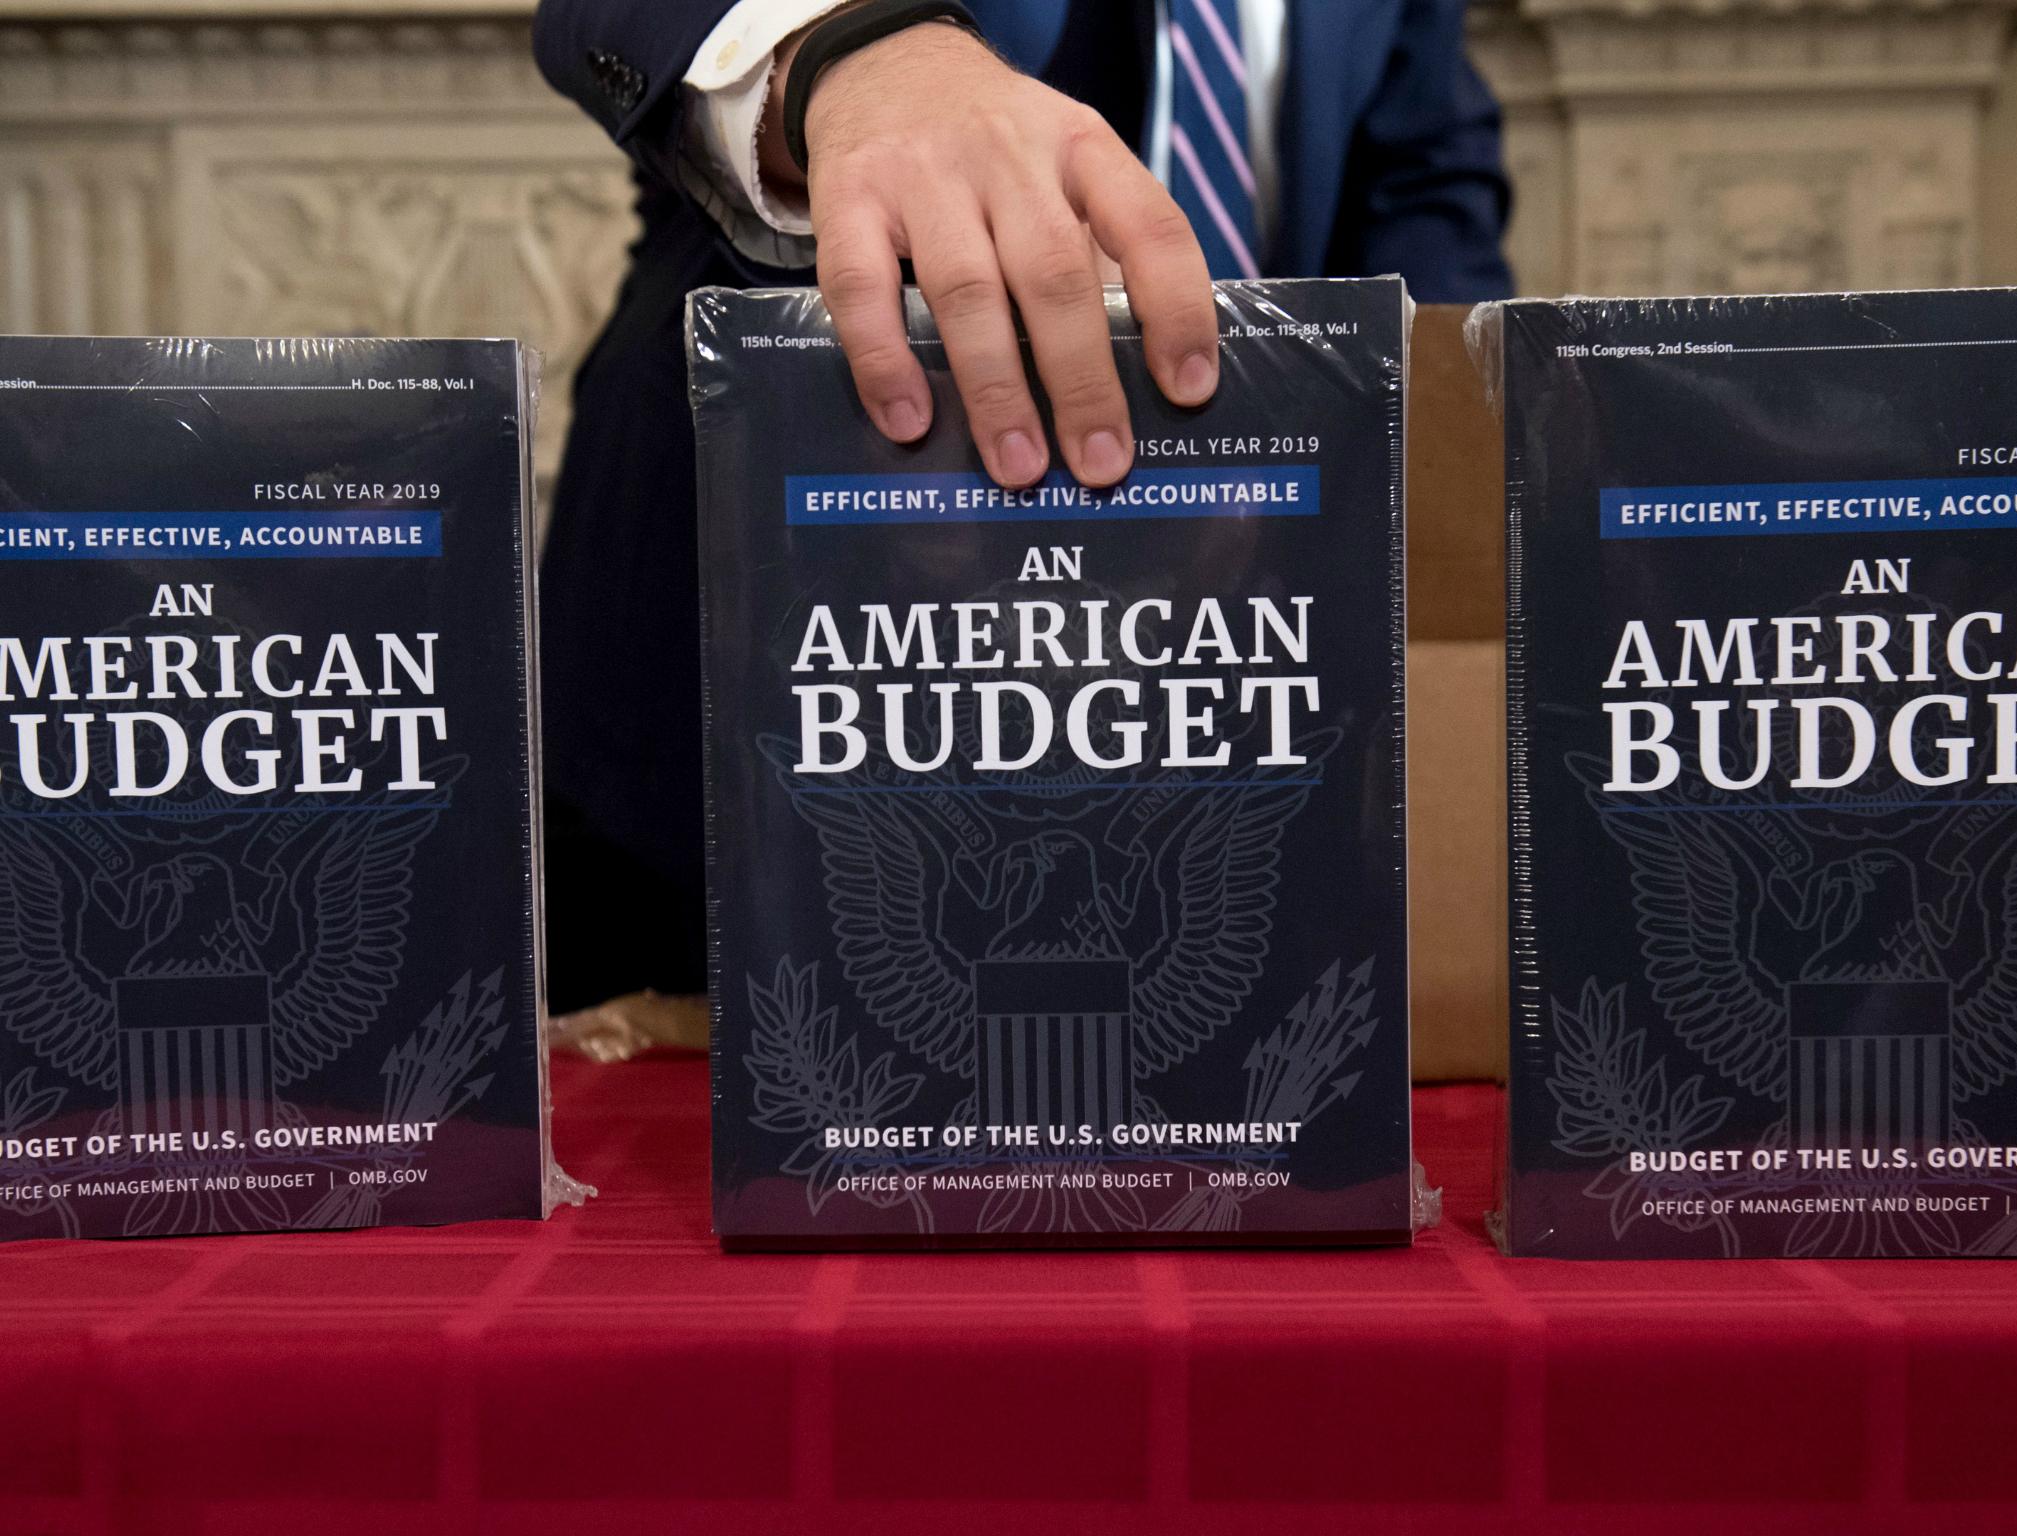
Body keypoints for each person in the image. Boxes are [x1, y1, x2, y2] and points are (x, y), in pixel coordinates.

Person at [532, 0, 1512, 1010]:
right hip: (747, 707)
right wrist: (852, 56)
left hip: (1223, 724)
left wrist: (1439, 455)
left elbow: (1423, 185)